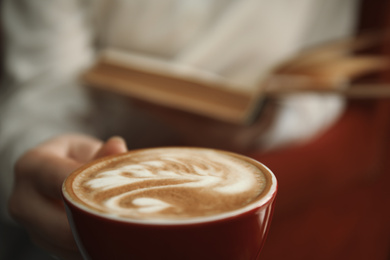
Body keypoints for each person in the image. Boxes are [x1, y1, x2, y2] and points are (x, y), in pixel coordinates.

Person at [2, 0, 388, 259]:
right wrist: (39, 153)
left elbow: (322, 84)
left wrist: (269, 124)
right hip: (98, 157)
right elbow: (44, 86)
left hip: (233, 159)